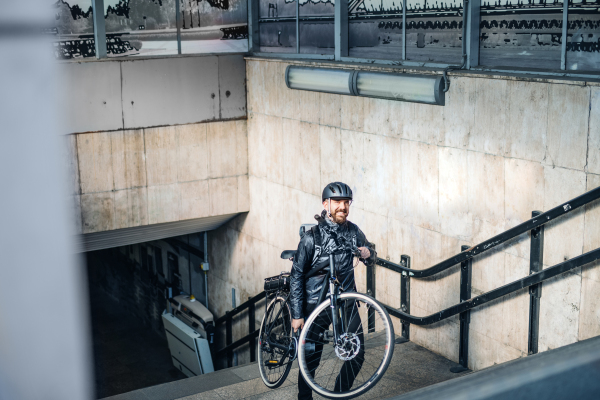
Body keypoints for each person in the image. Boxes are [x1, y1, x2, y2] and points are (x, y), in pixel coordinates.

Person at [289, 182, 376, 400]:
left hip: (346, 301)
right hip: (316, 305)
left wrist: (367, 253)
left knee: (356, 355)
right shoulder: (312, 238)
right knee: (310, 360)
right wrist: (298, 314)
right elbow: (297, 275)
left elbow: (372, 256)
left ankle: (339, 395)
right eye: (337, 202)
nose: (343, 207)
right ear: (325, 204)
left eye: (346, 202)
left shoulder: (354, 231)